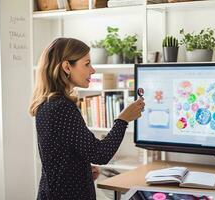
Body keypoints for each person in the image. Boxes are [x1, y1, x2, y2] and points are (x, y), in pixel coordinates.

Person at [29, 38, 145, 200]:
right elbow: (100, 154)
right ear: (67, 67)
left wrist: (80, 169)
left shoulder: (49, 104)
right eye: (87, 64)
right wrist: (123, 120)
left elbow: (59, 155)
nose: (93, 70)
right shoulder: (61, 107)